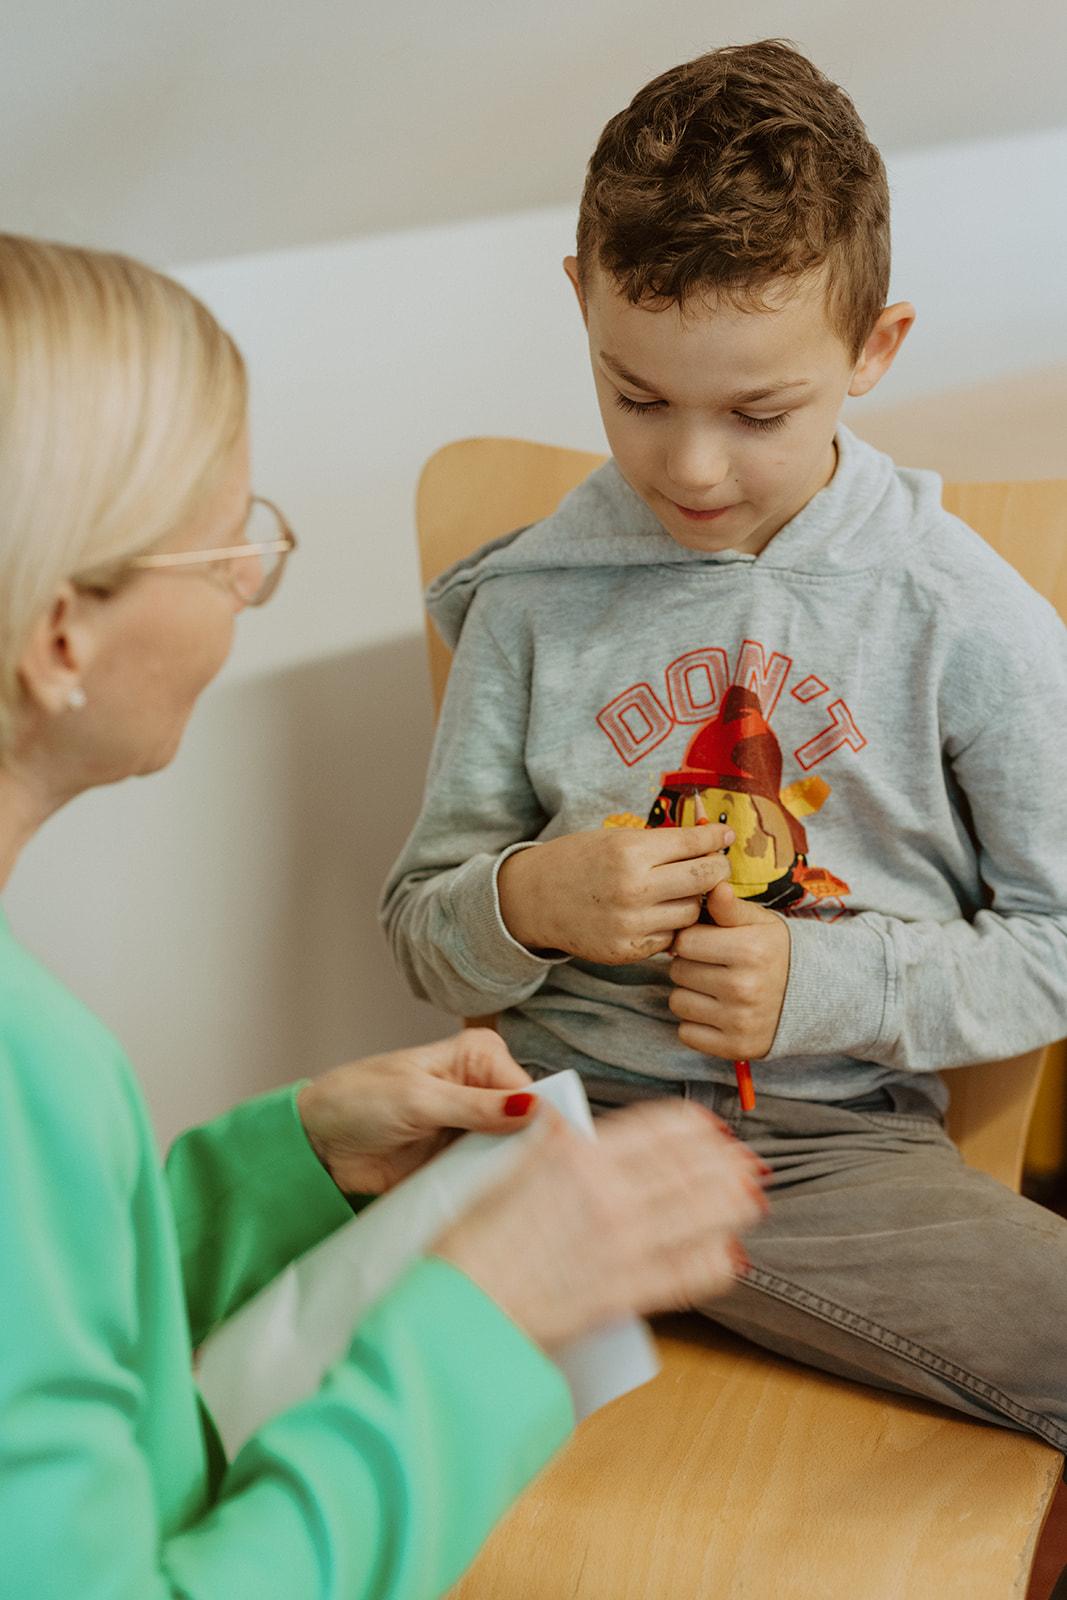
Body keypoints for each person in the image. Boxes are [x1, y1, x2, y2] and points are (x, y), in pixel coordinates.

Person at [0, 233, 767, 1599]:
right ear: (64, 635)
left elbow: (48, 1336)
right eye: (230, 540)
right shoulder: (25, 1075)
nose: (249, 579)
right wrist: (481, 1321)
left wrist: (282, 1167)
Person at [382, 38, 1067, 1453]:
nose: (690, 467)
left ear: (875, 350)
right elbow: (422, 930)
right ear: (580, 307)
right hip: (541, 1127)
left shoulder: (966, 614)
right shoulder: (527, 602)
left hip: (825, 1157)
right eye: (638, 398)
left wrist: (817, 984)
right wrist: (527, 901)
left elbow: (1057, 940)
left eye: (757, 413)